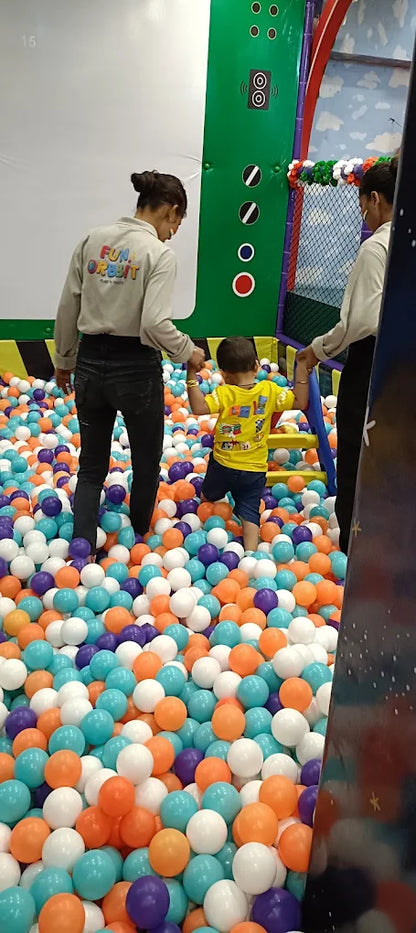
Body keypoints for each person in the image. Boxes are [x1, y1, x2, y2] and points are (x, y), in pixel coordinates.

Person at [54, 170, 205, 553]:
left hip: (89, 361)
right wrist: (188, 351)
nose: (174, 233)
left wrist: (64, 358)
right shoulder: (158, 253)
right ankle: (138, 540)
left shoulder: (92, 240)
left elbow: (69, 304)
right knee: (145, 460)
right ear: (170, 211)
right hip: (135, 368)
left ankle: (82, 543)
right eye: (177, 224)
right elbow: (155, 323)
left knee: (91, 464)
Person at [297, 157, 398, 554]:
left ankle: (355, 551)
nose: (363, 214)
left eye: (362, 204)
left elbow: (361, 321)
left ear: (374, 199)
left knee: (359, 453)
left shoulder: (377, 247)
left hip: (374, 365)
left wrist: (317, 350)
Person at [187, 336, 309, 551]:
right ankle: (251, 554)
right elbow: (300, 401)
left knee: (208, 495)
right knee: (250, 511)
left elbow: (198, 407)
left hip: (224, 464)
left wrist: (191, 375)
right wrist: (301, 371)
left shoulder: (225, 393)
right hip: (254, 469)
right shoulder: (269, 391)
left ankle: (202, 524)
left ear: (224, 374)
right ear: (255, 366)